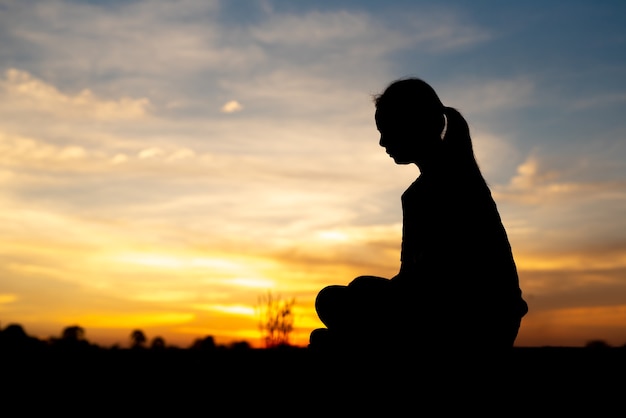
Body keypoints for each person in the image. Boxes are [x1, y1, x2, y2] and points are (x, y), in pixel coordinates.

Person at [309, 78, 528, 356]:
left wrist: (372, 294)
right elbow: (415, 278)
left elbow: (437, 283)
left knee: (334, 300)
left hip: (470, 324)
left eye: (387, 130)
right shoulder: (446, 183)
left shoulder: (445, 186)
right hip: (483, 320)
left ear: (414, 125)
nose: (382, 142)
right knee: (350, 294)